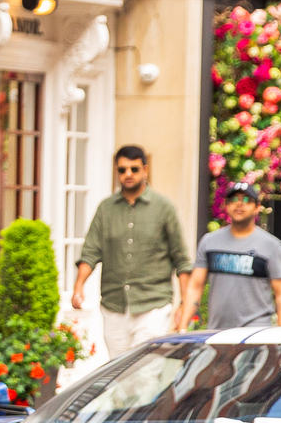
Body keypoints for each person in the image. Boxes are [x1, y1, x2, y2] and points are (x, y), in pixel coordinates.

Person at [71, 145, 192, 359]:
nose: (128, 174)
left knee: (145, 368)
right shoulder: (106, 208)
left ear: (145, 170)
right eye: (122, 169)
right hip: (114, 304)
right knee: (118, 370)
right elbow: (90, 252)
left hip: (153, 304)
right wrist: (78, 287)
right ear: (116, 171)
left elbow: (181, 260)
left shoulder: (164, 207)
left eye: (134, 169)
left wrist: (184, 304)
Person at [184, 183, 281, 330]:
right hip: (217, 333)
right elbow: (195, 287)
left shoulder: (272, 246)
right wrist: (182, 325)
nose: (239, 204)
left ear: (257, 207)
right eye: (234, 200)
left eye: (247, 200)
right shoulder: (209, 242)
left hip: (256, 334)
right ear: (226, 206)